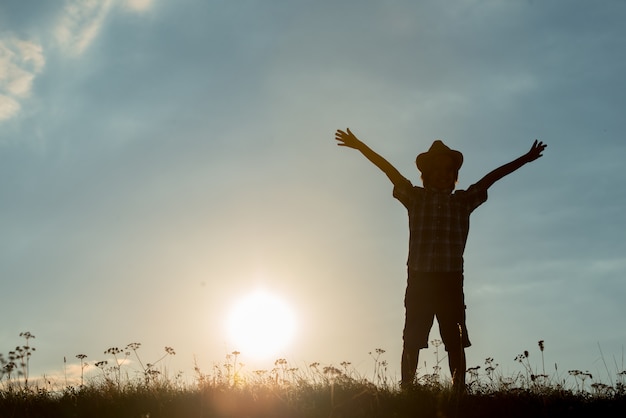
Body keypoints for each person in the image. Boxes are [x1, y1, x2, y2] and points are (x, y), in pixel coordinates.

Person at [334, 128, 546, 392]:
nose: (442, 175)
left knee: (454, 340)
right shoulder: (415, 198)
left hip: (449, 279)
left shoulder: (463, 201)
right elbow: (389, 171)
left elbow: (491, 178)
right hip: (420, 278)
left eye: (448, 171)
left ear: (454, 177)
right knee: (412, 339)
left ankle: (458, 393)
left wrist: (524, 159)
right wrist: (361, 146)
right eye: (436, 170)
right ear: (425, 175)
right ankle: (407, 390)